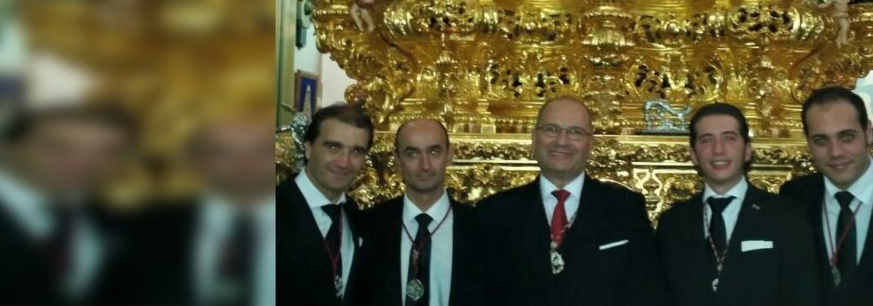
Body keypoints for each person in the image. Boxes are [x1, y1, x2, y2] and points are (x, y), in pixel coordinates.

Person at [475, 96, 664, 306]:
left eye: (575, 132)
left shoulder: (625, 207)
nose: (562, 141)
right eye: (551, 129)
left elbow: (648, 292)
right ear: (534, 138)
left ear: (591, 144)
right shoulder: (494, 213)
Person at [0, 104, 138, 306]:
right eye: (58, 147)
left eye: (108, 152)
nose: (84, 162)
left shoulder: (114, 219)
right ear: (8, 149)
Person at [656, 103, 815, 305]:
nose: (718, 150)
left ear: (747, 150)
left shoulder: (786, 215)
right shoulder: (672, 223)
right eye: (706, 140)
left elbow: (802, 294)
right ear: (693, 155)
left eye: (729, 138)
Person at [113, 113, 276, 306]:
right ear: (198, 161)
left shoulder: (301, 221)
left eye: (259, 151)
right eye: (224, 152)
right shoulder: (148, 228)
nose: (244, 164)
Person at [781, 86, 873, 306]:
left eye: (846, 137)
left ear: (868, 132)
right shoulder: (793, 199)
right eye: (821, 141)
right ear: (808, 142)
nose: (836, 152)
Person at [356, 118, 483, 306]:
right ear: (398, 161)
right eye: (412, 153)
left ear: (450, 155)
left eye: (434, 152)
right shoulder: (370, 226)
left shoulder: (480, 229)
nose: (425, 165)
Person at [276, 103, 378, 306]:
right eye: (333, 147)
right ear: (308, 148)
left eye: (356, 151)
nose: (344, 162)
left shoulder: (358, 218)